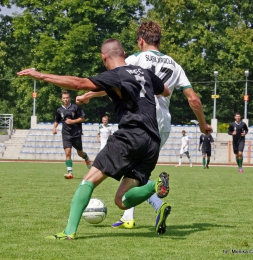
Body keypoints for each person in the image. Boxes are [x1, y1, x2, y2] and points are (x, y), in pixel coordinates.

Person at [17, 38, 171, 239]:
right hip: (152, 141)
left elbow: (79, 83)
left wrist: (41, 75)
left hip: (130, 136)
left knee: (88, 181)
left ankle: (69, 231)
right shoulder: (145, 73)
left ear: (103, 57)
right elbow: (165, 91)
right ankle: (155, 185)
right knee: (122, 200)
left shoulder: (115, 74)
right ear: (124, 53)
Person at [76, 21, 212, 234]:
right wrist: (203, 125)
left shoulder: (134, 59)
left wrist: (89, 95)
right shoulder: (175, 65)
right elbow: (193, 99)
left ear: (140, 40)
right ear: (159, 40)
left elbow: (119, 80)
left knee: (129, 167)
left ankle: (151, 207)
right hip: (162, 125)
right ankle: (131, 215)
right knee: (136, 170)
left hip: (140, 117)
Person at [53, 90, 92, 179]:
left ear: (69, 98)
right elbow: (57, 120)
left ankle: (86, 158)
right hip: (66, 134)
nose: (66, 99)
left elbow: (82, 118)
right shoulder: (59, 110)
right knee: (68, 152)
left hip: (76, 133)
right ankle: (70, 173)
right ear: (61, 99)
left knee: (80, 153)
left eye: (67, 98)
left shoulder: (75, 107)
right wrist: (54, 127)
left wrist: (72, 121)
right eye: (64, 98)